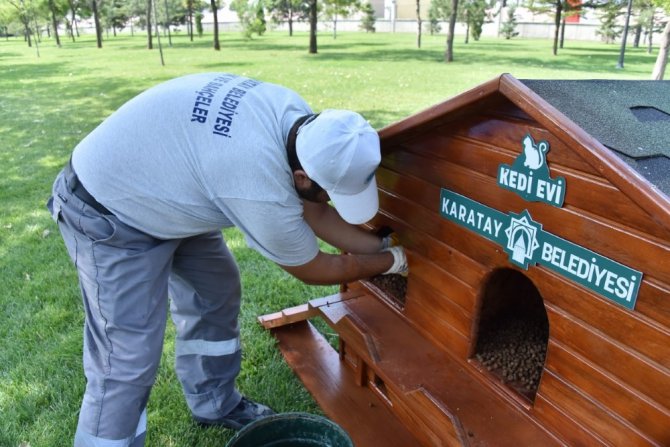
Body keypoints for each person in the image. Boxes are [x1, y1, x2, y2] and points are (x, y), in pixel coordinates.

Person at [47, 72, 408, 447]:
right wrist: (392, 263)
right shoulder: (258, 184)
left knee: (215, 291)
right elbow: (318, 268)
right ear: (300, 177)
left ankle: (214, 403)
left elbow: (315, 212)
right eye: (331, 192)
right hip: (106, 209)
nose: (332, 200)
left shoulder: (301, 122)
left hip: (171, 186)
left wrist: (380, 248)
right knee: (126, 360)